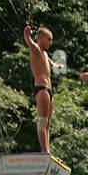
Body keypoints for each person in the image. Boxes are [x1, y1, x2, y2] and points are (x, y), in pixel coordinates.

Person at [23, 25, 61, 153]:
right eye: (49, 39)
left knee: (48, 125)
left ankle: (47, 150)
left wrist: (56, 65)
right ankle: (44, 151)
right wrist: (27, 35)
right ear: (41, 37)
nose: (51, 42)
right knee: (43, 122)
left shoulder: (44, 54)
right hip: (42, 87)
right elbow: (29, 42)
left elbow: (49, 62)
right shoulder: (36, 49)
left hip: (49, 90)